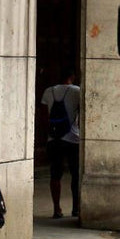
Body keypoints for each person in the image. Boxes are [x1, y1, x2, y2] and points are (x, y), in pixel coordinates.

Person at [41, 69, 80, 219]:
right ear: (72, 76)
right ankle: (76, 208)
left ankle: (57, 208)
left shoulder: (48, 91)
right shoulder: (77, 91)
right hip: (72, 138)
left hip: (54, 139)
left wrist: (51, 133)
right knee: (75, 175)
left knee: (55, 175)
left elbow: (44, 116)